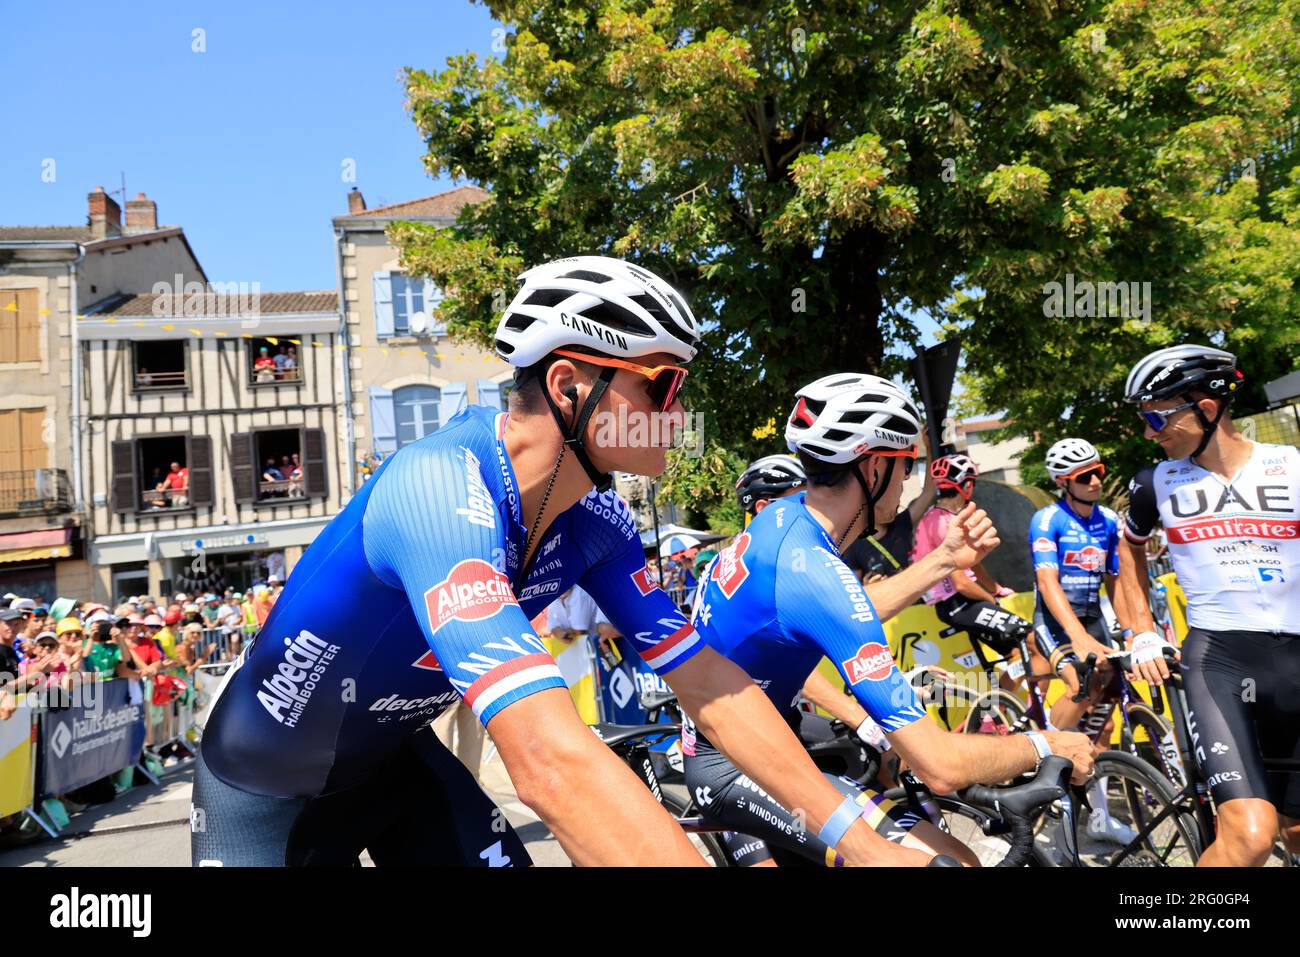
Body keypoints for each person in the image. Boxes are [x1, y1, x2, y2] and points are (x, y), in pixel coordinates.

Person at [195, 255, 934, 868]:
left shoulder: (596, 522)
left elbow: (708, 681)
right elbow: (547, 758)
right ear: (570, 385)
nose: (679, 414)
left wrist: (860, 842)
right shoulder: (436, 488)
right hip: (262, 792)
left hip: (391, 764)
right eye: (662, 384)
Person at [686, 374, 1094, 867]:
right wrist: (1042, 743)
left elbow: (845, 610)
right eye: (906, 467)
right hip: (731, 767)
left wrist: (945, 559)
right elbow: (940, 766)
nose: (906, 485)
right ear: (875, 465)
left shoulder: (787, 520)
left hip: (764, 739)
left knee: (949, 850)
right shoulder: (814, 570)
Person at [1116, 344, 1300, 867]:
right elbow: (1127, 553)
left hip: (1295, 663)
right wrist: (1141, 632)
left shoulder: (1291, 466)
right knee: (1251, 837)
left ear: (1208, 407)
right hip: (1220, 659)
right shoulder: (1156, 482)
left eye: (1157, 416)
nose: (1149, 432)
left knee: (1297, 831)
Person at [1029, 438, 1134, 845]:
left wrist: (1131, 632)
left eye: (1098, 472)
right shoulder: (1047, 519)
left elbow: (1116, 583)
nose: (1094, 481)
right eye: (1082, 476)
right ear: (1062, 482)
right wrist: (1077, 636)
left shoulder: (1108, 519)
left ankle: (1101, 816)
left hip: (1094, 621)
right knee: (1079, 686)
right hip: (1056, 624)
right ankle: (1045, 758)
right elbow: (1046, 582)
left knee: (1103, 718)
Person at [912, 454, 1031, 675]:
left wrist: (995, 588)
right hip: (958, 603)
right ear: (966, 484)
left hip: (962, 603)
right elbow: (962, 584)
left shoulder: (949, 517)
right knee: (1030, 637)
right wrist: (991, 600)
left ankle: (1002, 708)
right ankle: (1011, 707)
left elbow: (973, 564)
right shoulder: (942, 523)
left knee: (1018, 653)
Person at [842, 431, 937, 584]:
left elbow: (929, 491)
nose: (899, 496)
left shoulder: (901, 523)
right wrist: (868, 588)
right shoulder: (853, 546)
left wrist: (930, 449)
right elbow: (855, 592)